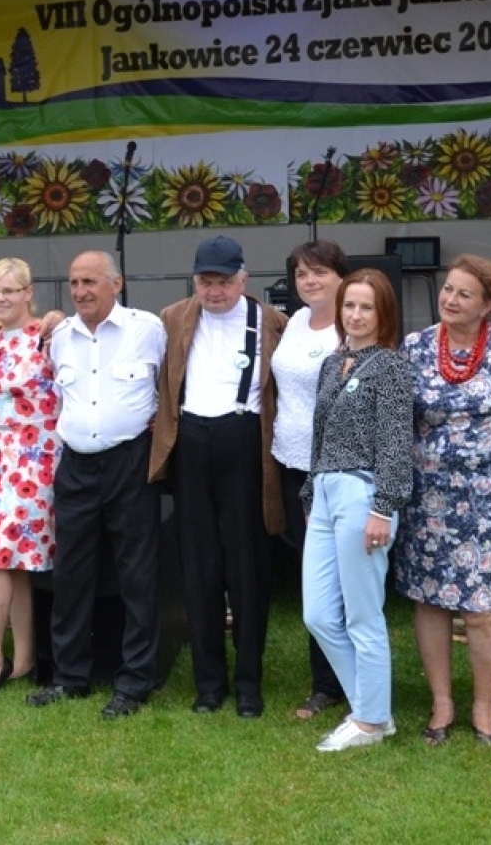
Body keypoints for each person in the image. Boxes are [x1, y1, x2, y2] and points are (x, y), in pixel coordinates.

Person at [149, 235, 288, 718]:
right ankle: (209, 683)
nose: (214, 291)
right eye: (206, 281)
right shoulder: (172, 318)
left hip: (244, 441)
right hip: (191, 441)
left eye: (224, 282)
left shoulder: (272, 322)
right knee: (199, 566)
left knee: (247, 567)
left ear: (244, 280)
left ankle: (249, 681)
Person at [394, 254, 491, 746]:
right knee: (431, 601)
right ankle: (442, 703)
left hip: (488, 497)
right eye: (447, 289)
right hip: (427, 494)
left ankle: (484, 708)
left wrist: (487, 454)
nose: (450, 299)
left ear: (487, 304)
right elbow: (401, 417)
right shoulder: (415, 346)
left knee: (482, 606)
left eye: (463, 294)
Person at [28, 251, 167, 720]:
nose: (81, 291)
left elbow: (174, 385)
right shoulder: (60, 336)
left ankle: (135, 680)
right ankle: (70, 677)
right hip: (77, 467)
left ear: (117, 283)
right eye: (74, 283)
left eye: (90, 281)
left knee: (137, 574)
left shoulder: (148, 329)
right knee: (71, 573)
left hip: (130, 462)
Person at [303, 268, 413, 752]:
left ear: (384, 313)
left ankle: (369, 720)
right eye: (350, 304)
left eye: (367, 306)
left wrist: (384, 507)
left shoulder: (389, 366)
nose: (356, 314)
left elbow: (395, 442)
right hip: (326, 493)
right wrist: (310, 493)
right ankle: (372, 709)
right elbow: (319, 434)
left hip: (363, 493)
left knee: (362, 615)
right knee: (319, 615)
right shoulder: (333, 363)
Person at [0, 258, 60, 698]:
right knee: (14, 564)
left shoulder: (48, 335)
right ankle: (23, 656)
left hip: (35, 459)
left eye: (9, 291)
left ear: (28, 293)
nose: (0, 299)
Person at [270, 239, 351, 720]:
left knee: (343, 580)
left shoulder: (353, 322)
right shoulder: (296, 321)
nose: (310, 281)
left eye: (319, 272)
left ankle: (345, 683)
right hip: (291, 464)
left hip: (337, 471)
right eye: (301, 274)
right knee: (313, 577)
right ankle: (325, 680)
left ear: (342, 276)